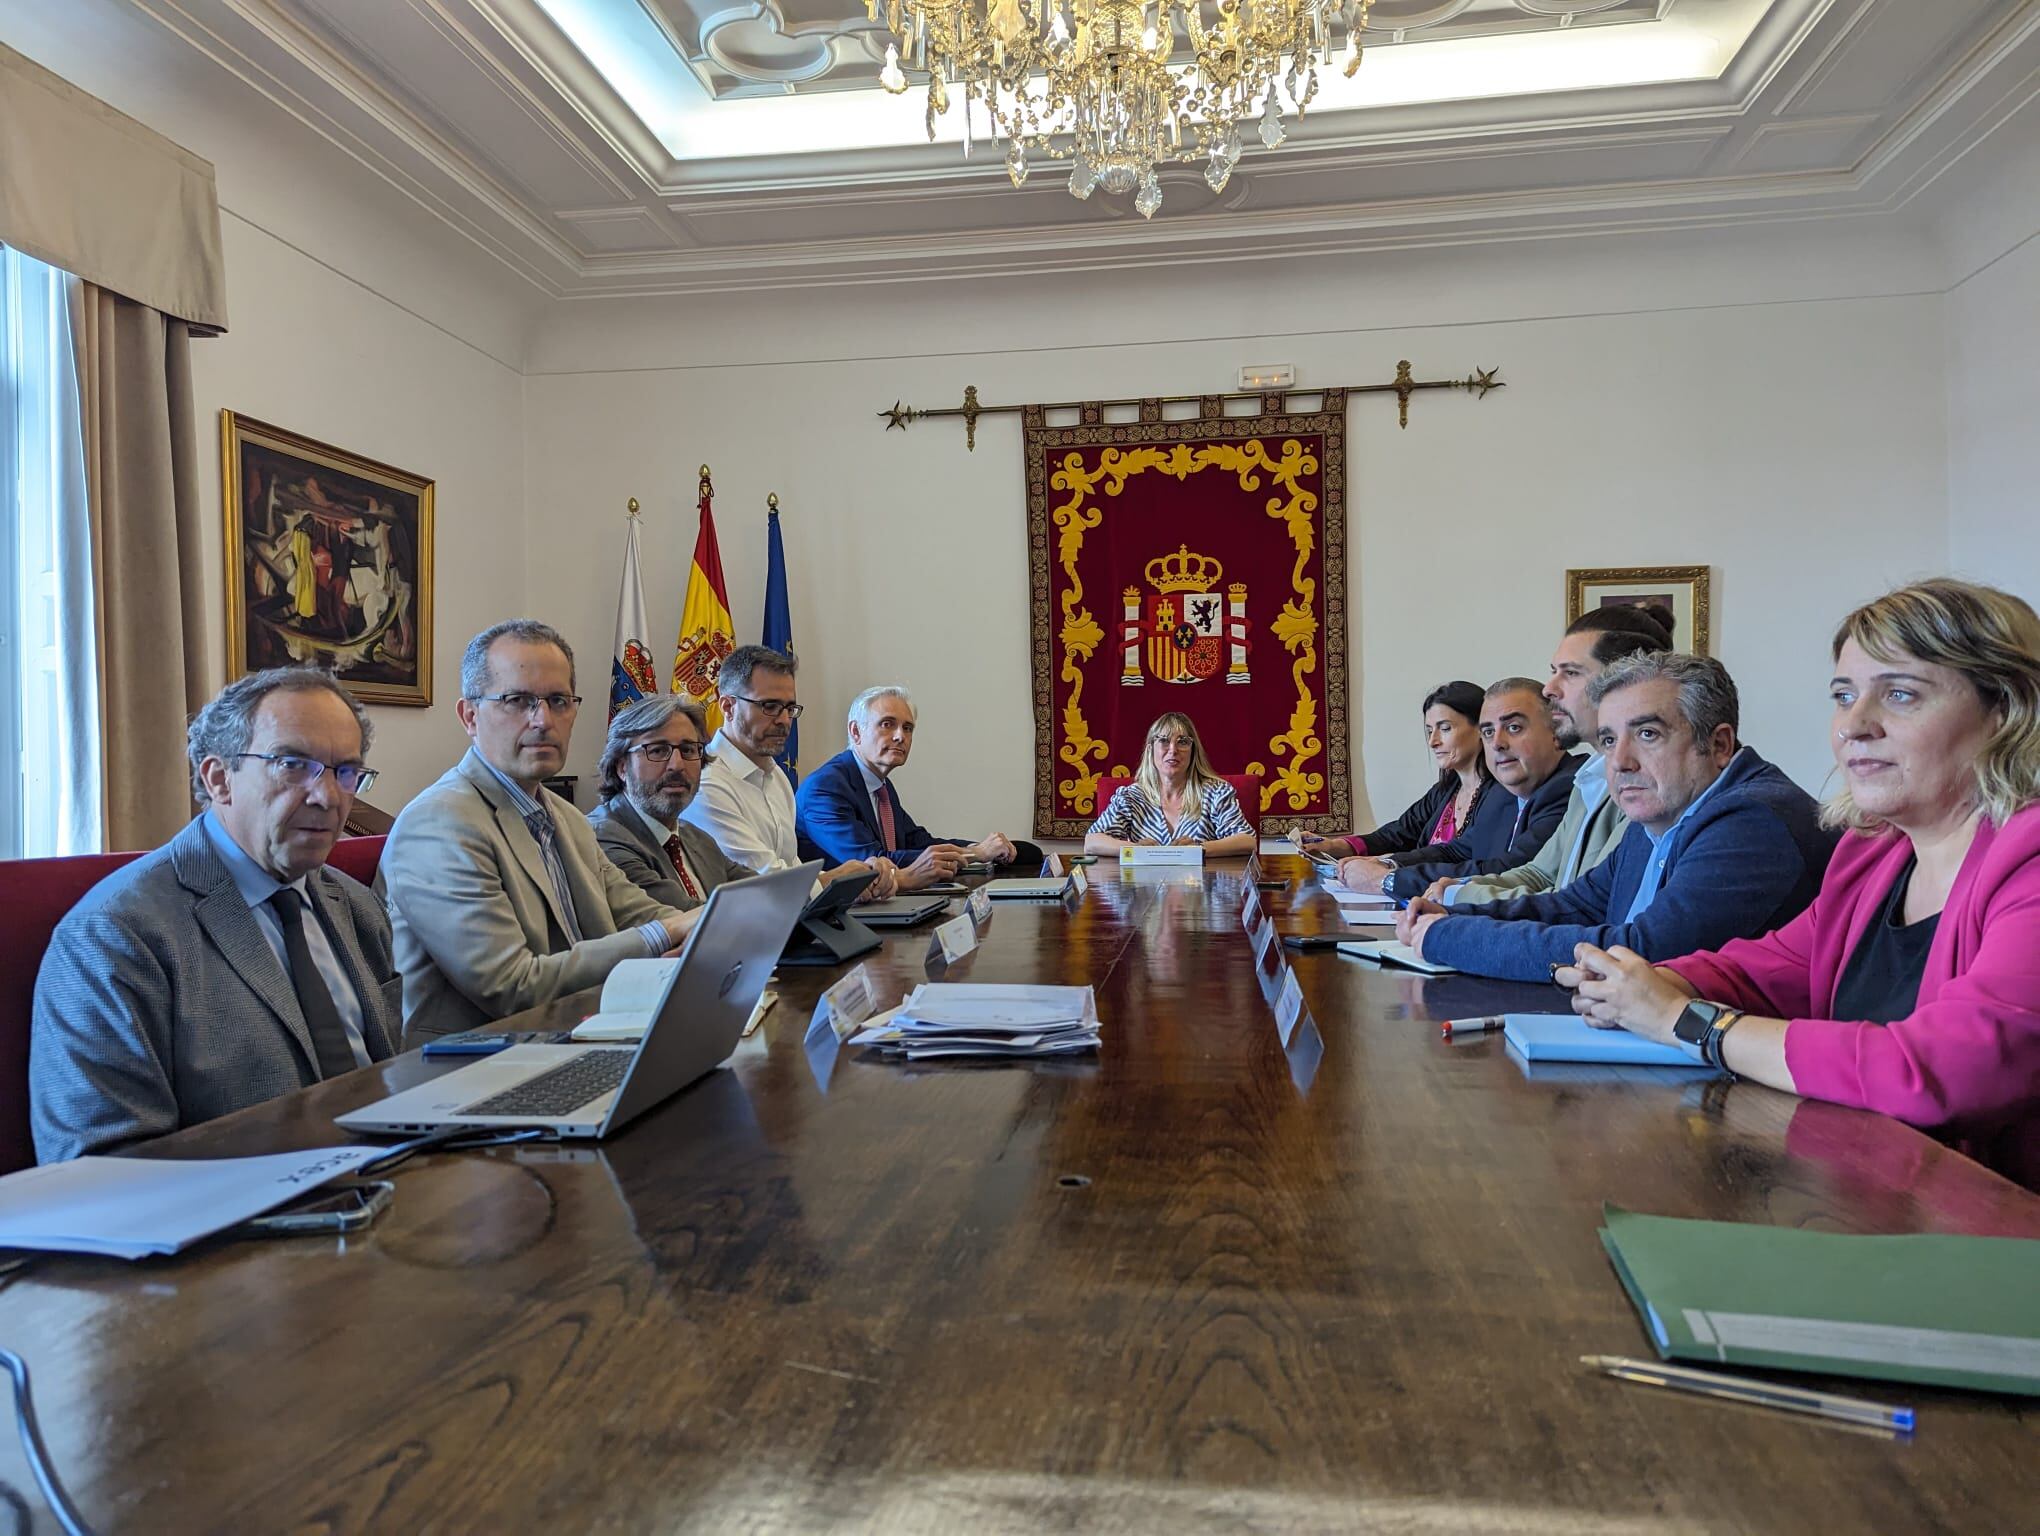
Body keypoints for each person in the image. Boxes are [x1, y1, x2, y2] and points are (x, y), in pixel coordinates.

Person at [1566, 580, 2040, 1190]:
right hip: (1885, 1206)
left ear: (2006, 710)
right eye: (1844, 696)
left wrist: (1694, 1024)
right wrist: (1648, 981)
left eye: (1899, 694)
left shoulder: (2027, 855)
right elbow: (1761, 969)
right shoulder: (1873, 854)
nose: (1854, 726)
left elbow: (1941, 1068)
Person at [30, 668, 400, 1161]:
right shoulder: (114, 934)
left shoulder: (355, 905)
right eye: (293, 764)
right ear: (219, 778)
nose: (328, 797)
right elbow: (103, 1169)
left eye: (346, 771)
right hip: (244, 1221)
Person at [1403, 651, 1832, 981]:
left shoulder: (1752, 821)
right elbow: (1577, 906)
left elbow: (1641, 952)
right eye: (1609, 740)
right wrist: (1454, 917)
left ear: (1719, 745)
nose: (1620, 762)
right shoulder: (1661, 811)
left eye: (1648, 734)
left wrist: (1450, 937)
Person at [382, 620, 698, 1040]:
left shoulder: (565, 816)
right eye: (517, 700)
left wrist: (708, 927)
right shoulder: (439, 822)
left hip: (581, 1035)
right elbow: (512, 987)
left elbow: (637, 913)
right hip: (472, 1068)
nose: (543, 720)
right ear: (470, 716)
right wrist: (668, 932)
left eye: (558, 700)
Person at [1426, 603, 1675, 907]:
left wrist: (1459, 895)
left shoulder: (1639, 784)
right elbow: (1539, 874)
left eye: (1570, 673)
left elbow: (1583, 904)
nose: (1549, 689)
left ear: (1622, 681)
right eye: (1553, 672)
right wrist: (1456, 887)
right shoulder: (1588, 779)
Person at [683, 645, 897, 898]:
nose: (784, 720)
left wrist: (863, 875)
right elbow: (760, 883)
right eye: (770, 706)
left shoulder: (776, 776)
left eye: (789, 708)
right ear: (728, 706)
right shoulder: (706, 784)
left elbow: (791, 870)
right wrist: (838, 879)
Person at [1338, 679, 1580, 899]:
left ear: (1556, 730)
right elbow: (1456, 851)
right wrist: (1388, 864)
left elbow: (1510, 870)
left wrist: (1387, 880)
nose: (1497, 743)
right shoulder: (1502, 795)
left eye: (1514, 728)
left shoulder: (1568, 788)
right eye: (1488, 732)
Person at [796, 685, 1042, 888]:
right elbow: (873, 863)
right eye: (887, 724)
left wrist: (977, 848)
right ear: (856, 731)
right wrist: (975, 854)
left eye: (907, 728)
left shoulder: (881, 786)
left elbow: (917, 841)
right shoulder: (825, 788)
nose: (900, 736)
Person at [1300, 682, 1490, 871]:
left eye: (1445, 728)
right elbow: (1396, 834)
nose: (1433, 741)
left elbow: (1457, 854)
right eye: (1430, 731)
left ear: (1482, 729)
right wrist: (1333, 846)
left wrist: (1386, 863)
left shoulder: (1500, 796)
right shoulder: (1444, 791)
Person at [588, 695, 753, 911]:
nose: (677, 765)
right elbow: (684, 920)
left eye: (688, 750)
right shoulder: (601, 839)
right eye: (657, 750)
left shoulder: (696, 837)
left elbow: (764, 891)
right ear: (622, 768)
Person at [1084, 712, 1256, 855]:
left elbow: (1247, 841)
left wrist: (1199, 849)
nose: (1173, 750)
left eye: (1182, 742)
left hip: (1202, 890)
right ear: (1151, 748)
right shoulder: (1131, 797)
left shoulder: (1216, 792)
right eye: (1164, 741)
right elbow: (1092, 842)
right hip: (1144, 891)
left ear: (1193, 751)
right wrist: (1135, 850)